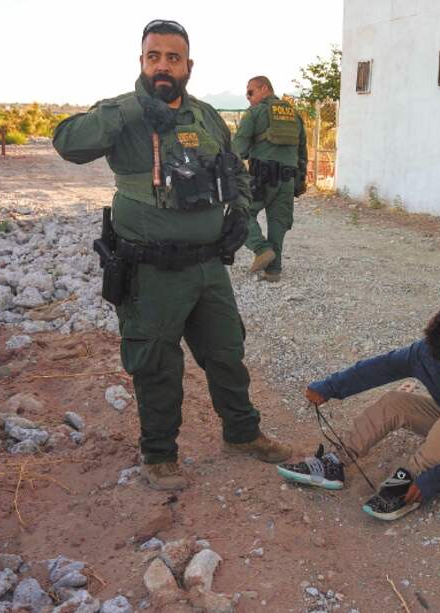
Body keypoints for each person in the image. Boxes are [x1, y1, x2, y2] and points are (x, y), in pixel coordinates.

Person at [52, 19, 291, 491]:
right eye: (153, 56)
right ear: (141, 62)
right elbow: (68, 143)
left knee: (227, 353)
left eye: (173, 57)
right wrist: (132, 108)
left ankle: (243, 434)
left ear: (188, 66)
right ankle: (159, 455)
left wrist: (240, 213)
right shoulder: (124, 115)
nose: (163, 65)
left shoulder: (205, 117)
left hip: (208, 266)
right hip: (151, 271)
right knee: (157, 363)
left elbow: (235, 173)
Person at [277, 301, 440, 520]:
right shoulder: (427, 353)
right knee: (396, 400)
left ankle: (411, 478)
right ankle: (336, 461)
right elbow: (381, 367)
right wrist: (330, 387)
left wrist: (434, 482)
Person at [232, 76, 307, 283]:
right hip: (288, 178)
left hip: (262, 177)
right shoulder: (294, 115)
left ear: (264, 88)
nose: (248, 97)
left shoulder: (255, 113)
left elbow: (238, 149)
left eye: (250, 92)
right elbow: (302, 153)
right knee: (278, 222)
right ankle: (274, 270)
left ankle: (261, 249)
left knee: (240, 214)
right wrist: (300, 182)